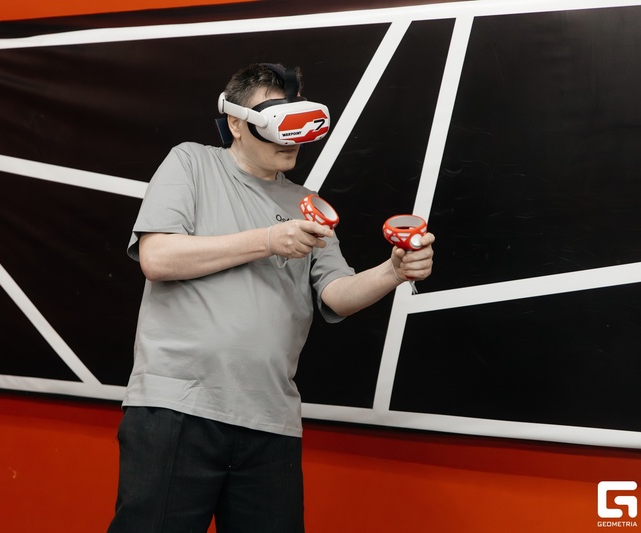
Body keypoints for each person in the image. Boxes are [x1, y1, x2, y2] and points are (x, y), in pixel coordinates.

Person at [107, 63, 435, 533]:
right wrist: (267, 240)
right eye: (278, 121)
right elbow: (157, 258)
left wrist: (393, 271)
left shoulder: (307, 202)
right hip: (177, 408)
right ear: (237, 123)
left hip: (270, 420)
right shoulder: (191, 163)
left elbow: (337, 294)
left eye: (300, 122)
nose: (291, 138)